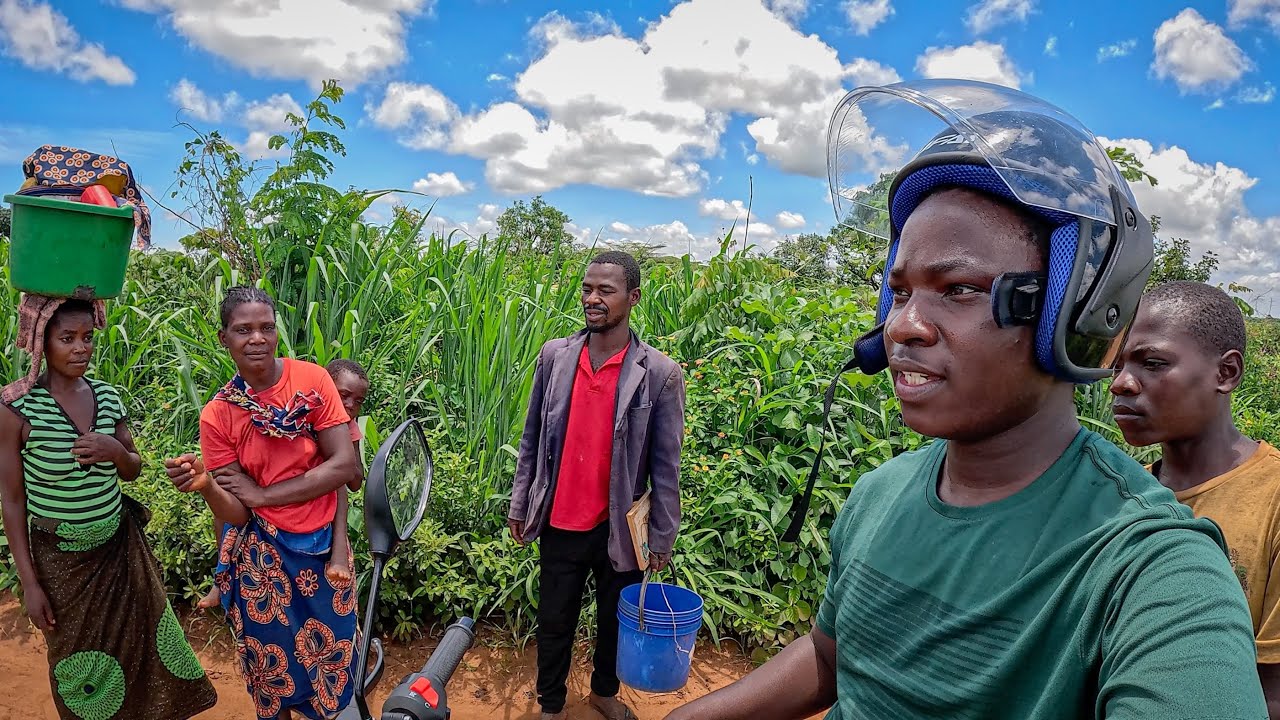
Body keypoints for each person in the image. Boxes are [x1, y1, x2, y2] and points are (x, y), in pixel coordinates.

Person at [665, 79, 1266, 719]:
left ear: (1072, 313)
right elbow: (833, 660)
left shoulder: (1154, 568)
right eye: (898, 293)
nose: (902, 326)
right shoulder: (878, 494)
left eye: (957, 290)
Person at [0, 295, 217, 720]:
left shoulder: (107, 396)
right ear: (42, 342)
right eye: (67, 338)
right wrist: (29, 583)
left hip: (119, 550)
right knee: (78, 663)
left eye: (87, 337)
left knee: (142, 645)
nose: (80, 348)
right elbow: (12, 499)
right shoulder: (16, 409)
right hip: (60, 562)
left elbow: (133, 469)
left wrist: (115, 450)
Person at [163, 286, 361, 720]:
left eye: (266, 328)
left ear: (277, 333)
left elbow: (344, 465)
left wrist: (262, 494)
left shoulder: (311, 380)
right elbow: (238, 512)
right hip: (262, 558)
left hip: (324, 546)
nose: (256, 338)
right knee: (273, 669)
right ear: (224, 338)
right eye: (243, 329)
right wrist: (208, 487)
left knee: (333, 659)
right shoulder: (218, 415)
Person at [508, 250, 686, 720]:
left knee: (613, 620)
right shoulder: (555, 357)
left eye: (605, 291)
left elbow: (667, 465)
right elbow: (532, 437)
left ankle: (604, 693)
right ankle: (551, 704)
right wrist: (520, 500)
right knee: (554, 620)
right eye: (588, 288)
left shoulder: (660, 374)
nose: (592, 298)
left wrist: (662, 536)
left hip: (619, 526)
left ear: (633, 297)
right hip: (560, 518)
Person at [1111, 280, 1280, 712]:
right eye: (1117, 366)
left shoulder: (1272, 498)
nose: (1122, 384)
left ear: (1226, 373)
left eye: (1152, 363)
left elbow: (1272, 691)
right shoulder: (1117, 498)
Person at [195, 357, 368, 610]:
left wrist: (341, 453)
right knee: (224, 506)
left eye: (358, 401)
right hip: (266, 506)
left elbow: (353, 478)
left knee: (336, 484)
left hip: (317, 496)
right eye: (343, 395)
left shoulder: (344, 425)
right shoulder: (299, 407)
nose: (350, 405)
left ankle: (339, 551)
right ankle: (220, 578)